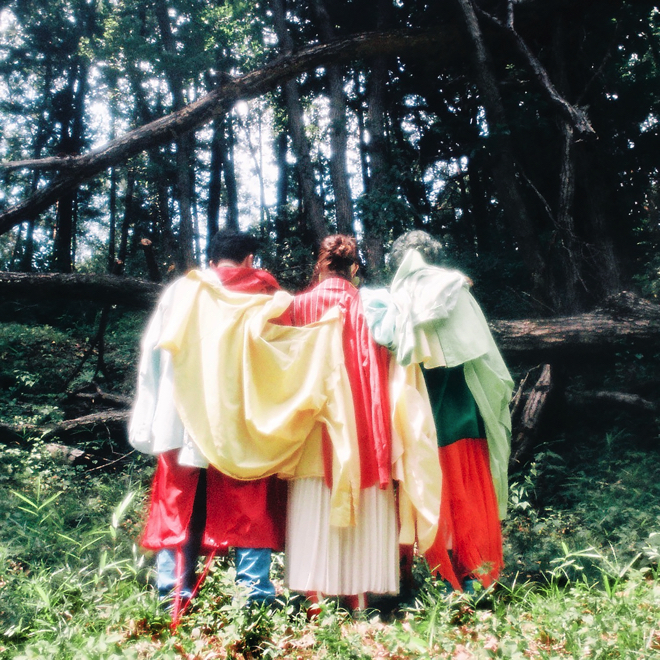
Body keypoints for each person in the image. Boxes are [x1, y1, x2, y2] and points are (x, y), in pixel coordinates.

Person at [129, 231, 287, 618]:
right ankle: (254, 598)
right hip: (240, 417)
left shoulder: (182, 292)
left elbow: (153, 354)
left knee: (177, 498)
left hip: (181, 415)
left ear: (211, 261)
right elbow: (285, 358)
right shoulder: (266, 295)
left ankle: (172, 595)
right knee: (249, 500)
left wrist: (150, 415)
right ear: (249, 259)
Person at [361, 230, 513, 592]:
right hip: (465, 408)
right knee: (470, 494)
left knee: (433, 492)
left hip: (421, 413)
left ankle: (446, 582)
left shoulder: (396, 299)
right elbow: (486, 358)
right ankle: (476, 576)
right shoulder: (455, 289)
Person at [280, 234, 399, 612]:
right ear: (354, 269)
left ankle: (315, 597)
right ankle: (358, 596)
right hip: (364, 421)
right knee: (363, 503)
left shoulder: (298, 306)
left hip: (315, 423)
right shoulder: (372, 306)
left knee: (314, 504)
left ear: (320, 265)